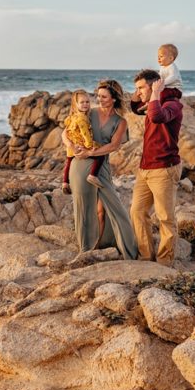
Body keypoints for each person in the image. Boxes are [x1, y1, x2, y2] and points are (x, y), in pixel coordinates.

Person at [62, 79, 139, 259]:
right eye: (98, 96)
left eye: (104, 97)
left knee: (111, 208)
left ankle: (125, 248)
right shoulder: (90, 113)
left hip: (100, 167)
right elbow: (65, 132)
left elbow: (113, 146)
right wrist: (72, 147)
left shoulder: (120, 122)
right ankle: (87, 249)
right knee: (84, 209)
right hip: (79, 166)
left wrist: (90, 152)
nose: (100, 99)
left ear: (113, 99)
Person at [129, 68, 183, 265]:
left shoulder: (173, 104)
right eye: (137, 88)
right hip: (145, 169)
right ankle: (145, 257)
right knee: (137, 211)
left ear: (155, 86)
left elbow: (157, 117)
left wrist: (155, 94)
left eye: (141, 87)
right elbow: (135, 108)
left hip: (164, 168)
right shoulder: (152, 101)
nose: (139, 92)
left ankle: (164, 263)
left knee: (165, 218)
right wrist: (143, 93)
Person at [61, 89, 106, 194]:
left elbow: (67, 129)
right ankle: (93, 175)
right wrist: (90, 146)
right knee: (101, 155)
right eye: (82, 102)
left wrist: (70, 144)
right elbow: (85, 135)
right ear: (75, 104)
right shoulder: (82, 118)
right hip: (81, 146)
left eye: (87, 102)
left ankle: (65, 182)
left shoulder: (71, 117)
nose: (85, 104)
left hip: (72, 147)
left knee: (68, 162)